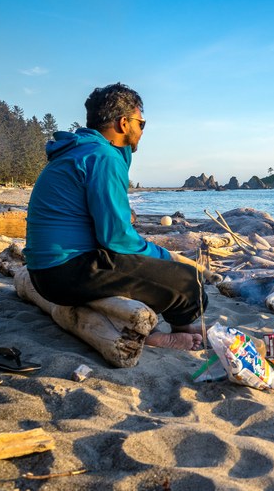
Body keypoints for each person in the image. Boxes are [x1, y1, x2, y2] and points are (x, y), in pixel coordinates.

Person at [24, 83, 206, 351]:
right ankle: (172, 333)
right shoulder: (102, 156)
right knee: (191, 283)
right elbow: (116, 238)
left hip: (44, 273)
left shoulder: (81, 150)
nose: (143, 131)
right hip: (66, 271)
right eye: (141, 123)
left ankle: (166, 329)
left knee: (156, 272)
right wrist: (167, 256)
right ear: (124, 123)